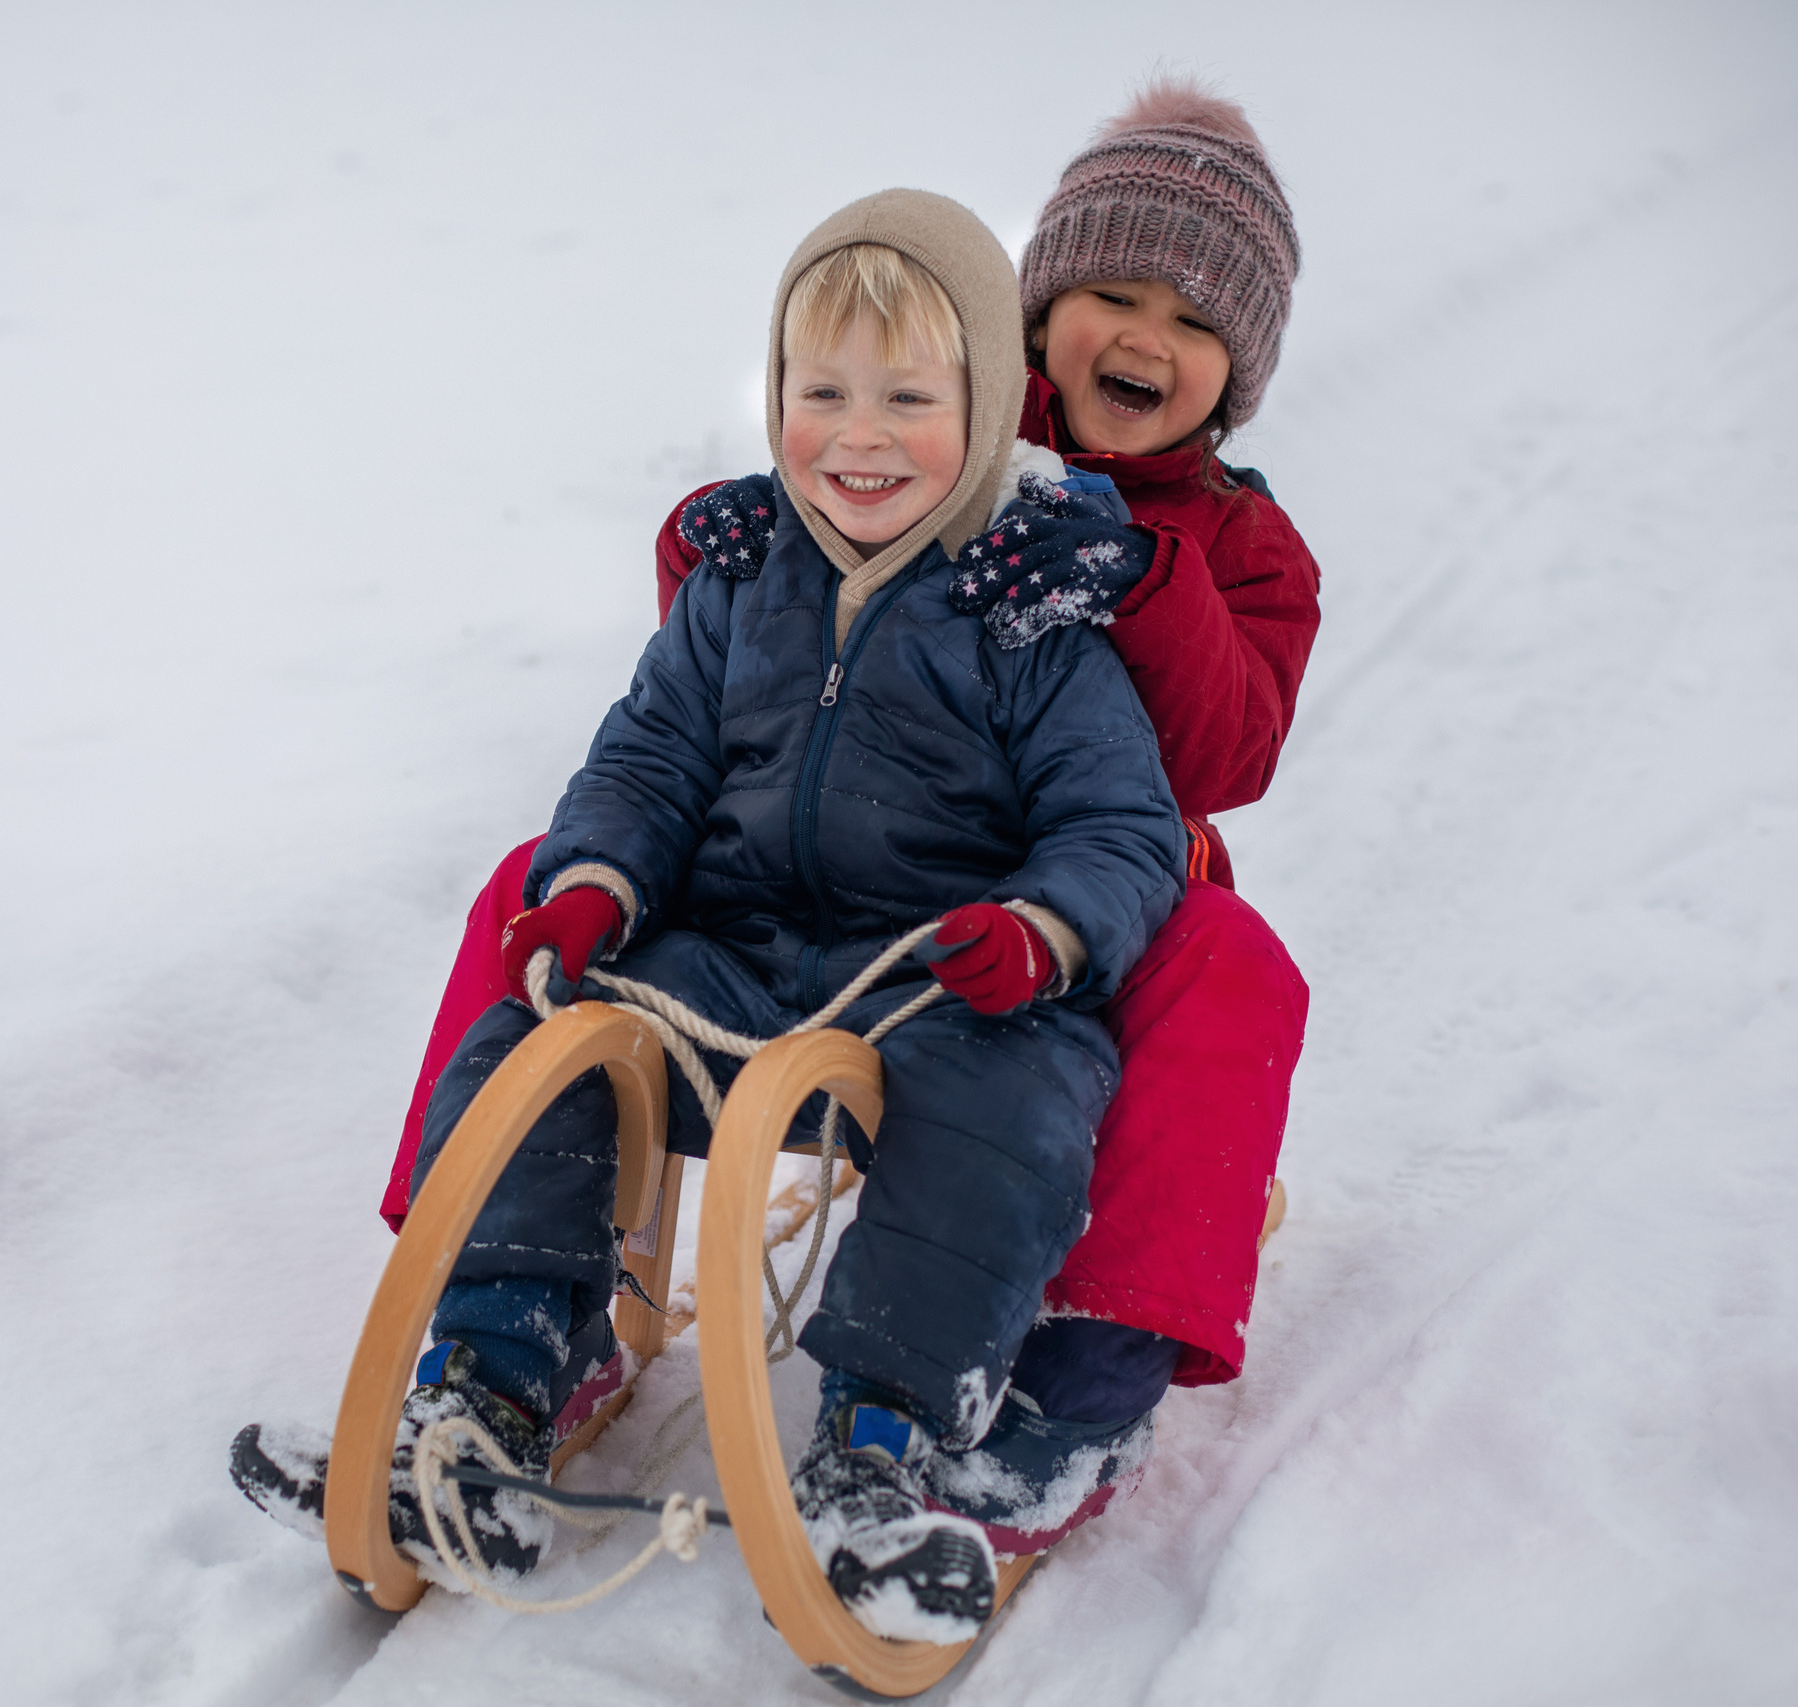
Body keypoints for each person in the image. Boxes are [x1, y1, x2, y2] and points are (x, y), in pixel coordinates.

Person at [373, 80, 1318, 1563]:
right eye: (1112, 293)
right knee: (541, 882)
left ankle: (1087, 1374)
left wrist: (1144, 580)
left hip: (1057, 896)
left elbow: (1225, 748)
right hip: (805, 898)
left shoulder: (1246, 548)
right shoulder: (918, 406)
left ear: (1240, 368)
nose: (1145, 339)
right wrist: (714, 543)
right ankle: (492, 1276)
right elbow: (759, 697)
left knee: (1230, 964)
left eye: (1196, 322)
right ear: (1029, 315)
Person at [236, 186, 1188, 1641]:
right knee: (536, 1038)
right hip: (731, 958)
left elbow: (1119, 826)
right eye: (822, 393)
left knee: (1020, 1104)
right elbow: (650, 758)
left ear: (992, 408)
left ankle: (886, 1445)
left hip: (935, 985)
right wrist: (597, 883)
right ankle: (492, 1381)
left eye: (909, 398)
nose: (858, 437)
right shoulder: (744, 580)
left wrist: (1041, 930)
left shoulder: (1030, 614)